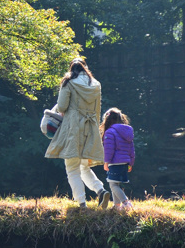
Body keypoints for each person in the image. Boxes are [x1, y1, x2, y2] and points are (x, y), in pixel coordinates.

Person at [44, 58, 108, 208]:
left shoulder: (68, 82)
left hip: (73, 128)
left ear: (72, 69)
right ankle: (100, 190)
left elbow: (62, 106)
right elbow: (97, 110)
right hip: (90, 127)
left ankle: (82, 203)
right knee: (84, 166)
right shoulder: (96, 84)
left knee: (72, 168)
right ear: (86, 68)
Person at [101, 107, 135, 211]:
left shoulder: (110, 132)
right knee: (115, 183)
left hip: (115, 162)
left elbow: (109, 149)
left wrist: (106, 162)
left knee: (112, 185)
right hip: (125, 162)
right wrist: (131, 163)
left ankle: (126, 203)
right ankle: (116, 206)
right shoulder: (127, 131)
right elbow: (131, 149)